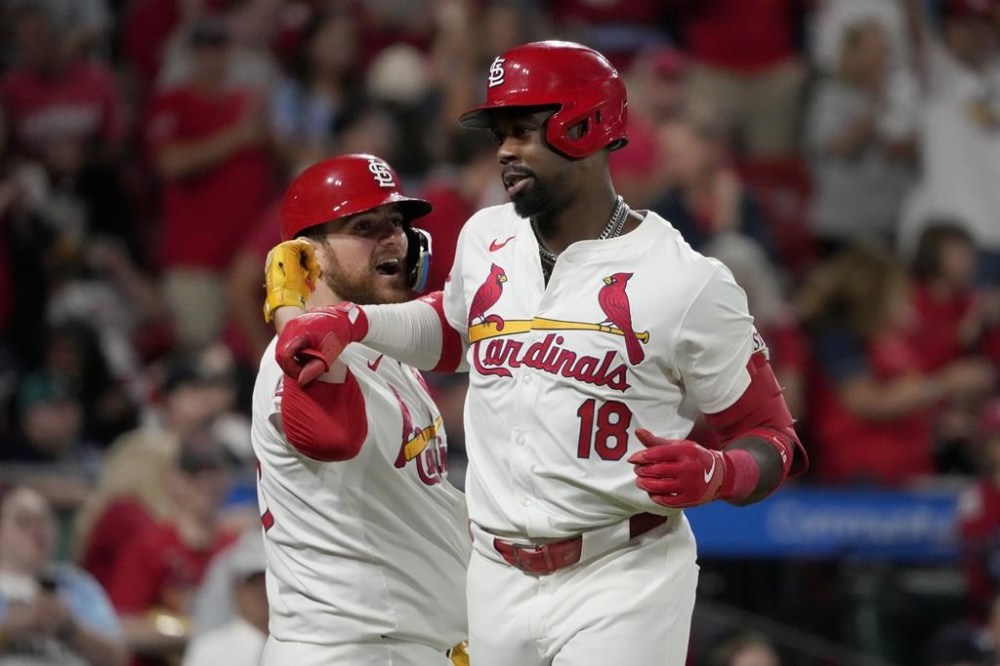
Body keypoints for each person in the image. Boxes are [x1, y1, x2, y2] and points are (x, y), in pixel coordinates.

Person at [274, 41, 808, 666]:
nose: (504, 149)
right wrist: (355, 322)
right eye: (501, 132)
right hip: (497, 575)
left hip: (621, 572)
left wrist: (721, 473)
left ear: (587, 125)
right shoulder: (486, 234)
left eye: (524, 129)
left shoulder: (688, 281)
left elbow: (774, 439)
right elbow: (454, 332)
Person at [252, 154, 470, 665]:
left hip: (408, 646)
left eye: (397, 224)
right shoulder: (296, 361)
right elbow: (333, 433)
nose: (394, 239)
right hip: (350, 650)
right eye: (364, 227)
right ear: (307, 255)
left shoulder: (388, 350)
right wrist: (290, 308)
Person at [0, 486, 128, 666]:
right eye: (24, 521)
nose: (37, 530)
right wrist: (8, 631)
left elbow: (118, 658)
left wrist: (70, 628)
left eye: (43, 521)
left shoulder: (78, 585)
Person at [182, 528, 267, 666]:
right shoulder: (210, 651)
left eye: (266, 581)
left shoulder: (293, 646)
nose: (262, 591)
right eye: (253, 582)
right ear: (237, 589)